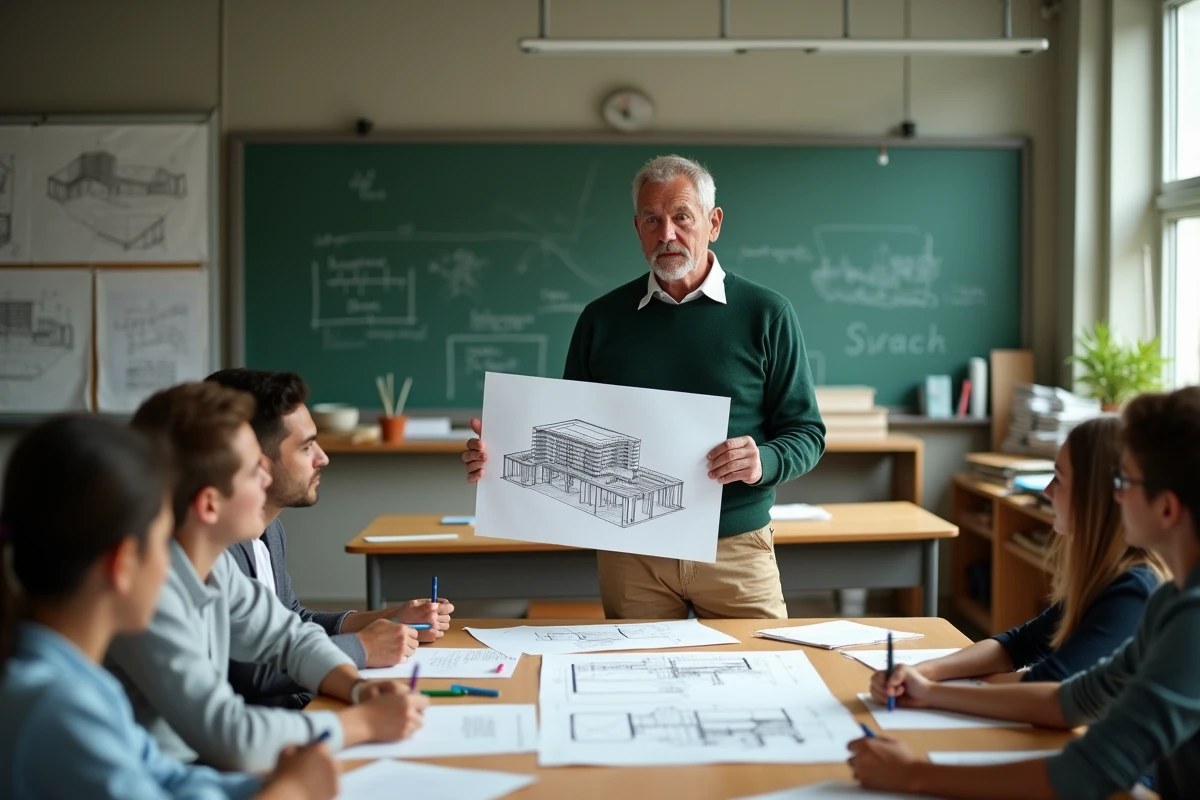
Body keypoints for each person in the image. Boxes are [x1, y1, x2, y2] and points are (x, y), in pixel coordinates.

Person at [461, 154, 826, 619]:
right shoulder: (602, 320)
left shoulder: (767, 314)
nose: (666, 234)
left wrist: (764, 460)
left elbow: (807, 433)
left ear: (713, 223)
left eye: (681, 217)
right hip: (630, 550)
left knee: (761, 682)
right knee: (635, 684)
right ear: (637, 228)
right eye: (652, 219)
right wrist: (493, 456)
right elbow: (570, 430)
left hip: (734, 548)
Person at [850, 386, 1200, 799]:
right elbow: (1069, 700)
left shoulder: (1188, 616)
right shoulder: (1170, 601)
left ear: (1167, 509)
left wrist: (913, 775)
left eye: (1125, 481)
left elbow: (1089, 770)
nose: (1116, 494)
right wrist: (929, 691)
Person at [0, 415, 338, 800]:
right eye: (165, 544)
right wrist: (291, 790)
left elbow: (168, 781)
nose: (173, 565)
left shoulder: (85, 683)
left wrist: (266, 785)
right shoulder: (59, 708)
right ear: (122, 564)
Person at [106, 382, 428, 772]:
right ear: (209, 504)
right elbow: (229, 736)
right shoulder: (150, 591)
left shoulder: (212, 563)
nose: (266, 480)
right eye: (252, 471)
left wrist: (357, 687)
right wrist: (364, 722)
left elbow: (288, 636)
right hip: (176, 776)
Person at [205, 368, 454, 709]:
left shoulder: (269, 528)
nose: (323, 457)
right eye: (307, 447)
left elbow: (291, 620)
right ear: (256, 461)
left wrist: (393, 618)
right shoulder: (214, 547)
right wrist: (362, 647)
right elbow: (253, 671)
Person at [905, 416, 1167, 686]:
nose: (1047, 491)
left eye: (1059, 480)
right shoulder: (1106, 576)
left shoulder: (1134, 590)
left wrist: (931, 692)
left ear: (1093, 498)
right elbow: (1020, 644)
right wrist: (928, 671)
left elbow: (1053, 686)